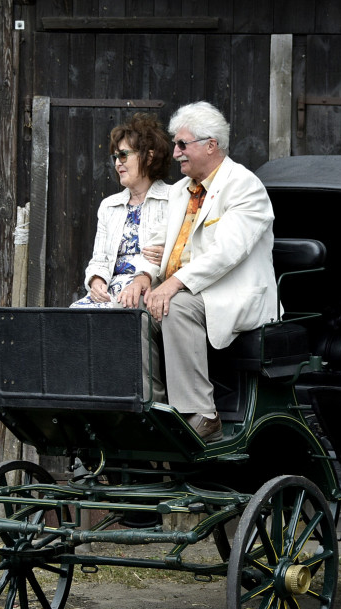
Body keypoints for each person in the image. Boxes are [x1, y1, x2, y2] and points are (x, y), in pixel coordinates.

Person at [133, 101, 277, 442]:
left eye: (182, 144)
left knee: (175, 307)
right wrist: (143, 276)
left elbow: (227, 252)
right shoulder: (180, 191)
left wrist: (173, 282)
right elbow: (155, 243)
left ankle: (202, 415)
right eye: (176, 145)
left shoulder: (244, 186)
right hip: (192, 288)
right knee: (135, 309)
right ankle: (153, 410)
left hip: (232, 293)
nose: (176, 153)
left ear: (211, 145)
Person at [70, 113, 172, 309]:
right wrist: (96, 281)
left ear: (149, 158)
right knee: (74, 314)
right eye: (115, 157)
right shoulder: (109, 206)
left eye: (123, 155)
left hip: (146, 291)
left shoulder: (173, 199)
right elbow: (99, 258)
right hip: (110, 291)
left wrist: (166, 257)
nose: (117, 163)